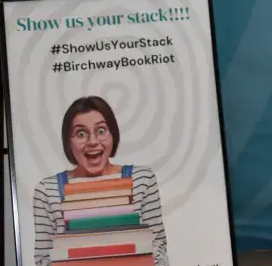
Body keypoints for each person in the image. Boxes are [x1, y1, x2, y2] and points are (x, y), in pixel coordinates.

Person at [31, 95, 169, 266]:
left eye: (101, 131)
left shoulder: (142, 180)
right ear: (68, 141)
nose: (93, 142)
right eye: (81, 133)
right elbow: (43, 261)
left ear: (113, 135)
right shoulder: (47, 191)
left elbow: (158, 250)